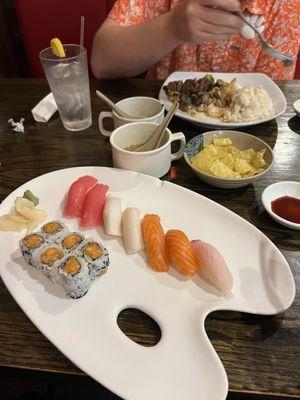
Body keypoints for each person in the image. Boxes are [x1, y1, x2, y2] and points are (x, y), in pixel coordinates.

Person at [91, 0, 300, 80]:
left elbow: (272, 99)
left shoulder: (287, 6)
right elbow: (102, 62)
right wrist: (171, 27)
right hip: (162, 128)